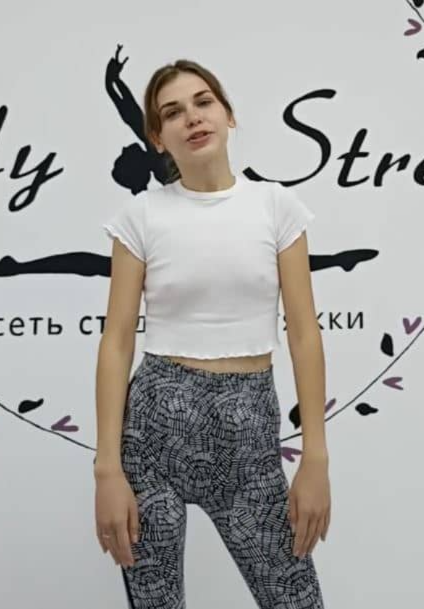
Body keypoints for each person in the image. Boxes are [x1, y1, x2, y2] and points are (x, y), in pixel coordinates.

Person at [94, 59, 331, 608]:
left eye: (203, 102)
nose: (193, 118)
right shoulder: (141, 216)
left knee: (295, 599)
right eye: (173, 112)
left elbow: (304, 335)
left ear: (228, 114)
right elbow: (117, 342)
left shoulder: (275, 206)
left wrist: (315, 457)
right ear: (158, 138)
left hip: (250, 436)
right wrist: (107, 469)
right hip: (153, 435)